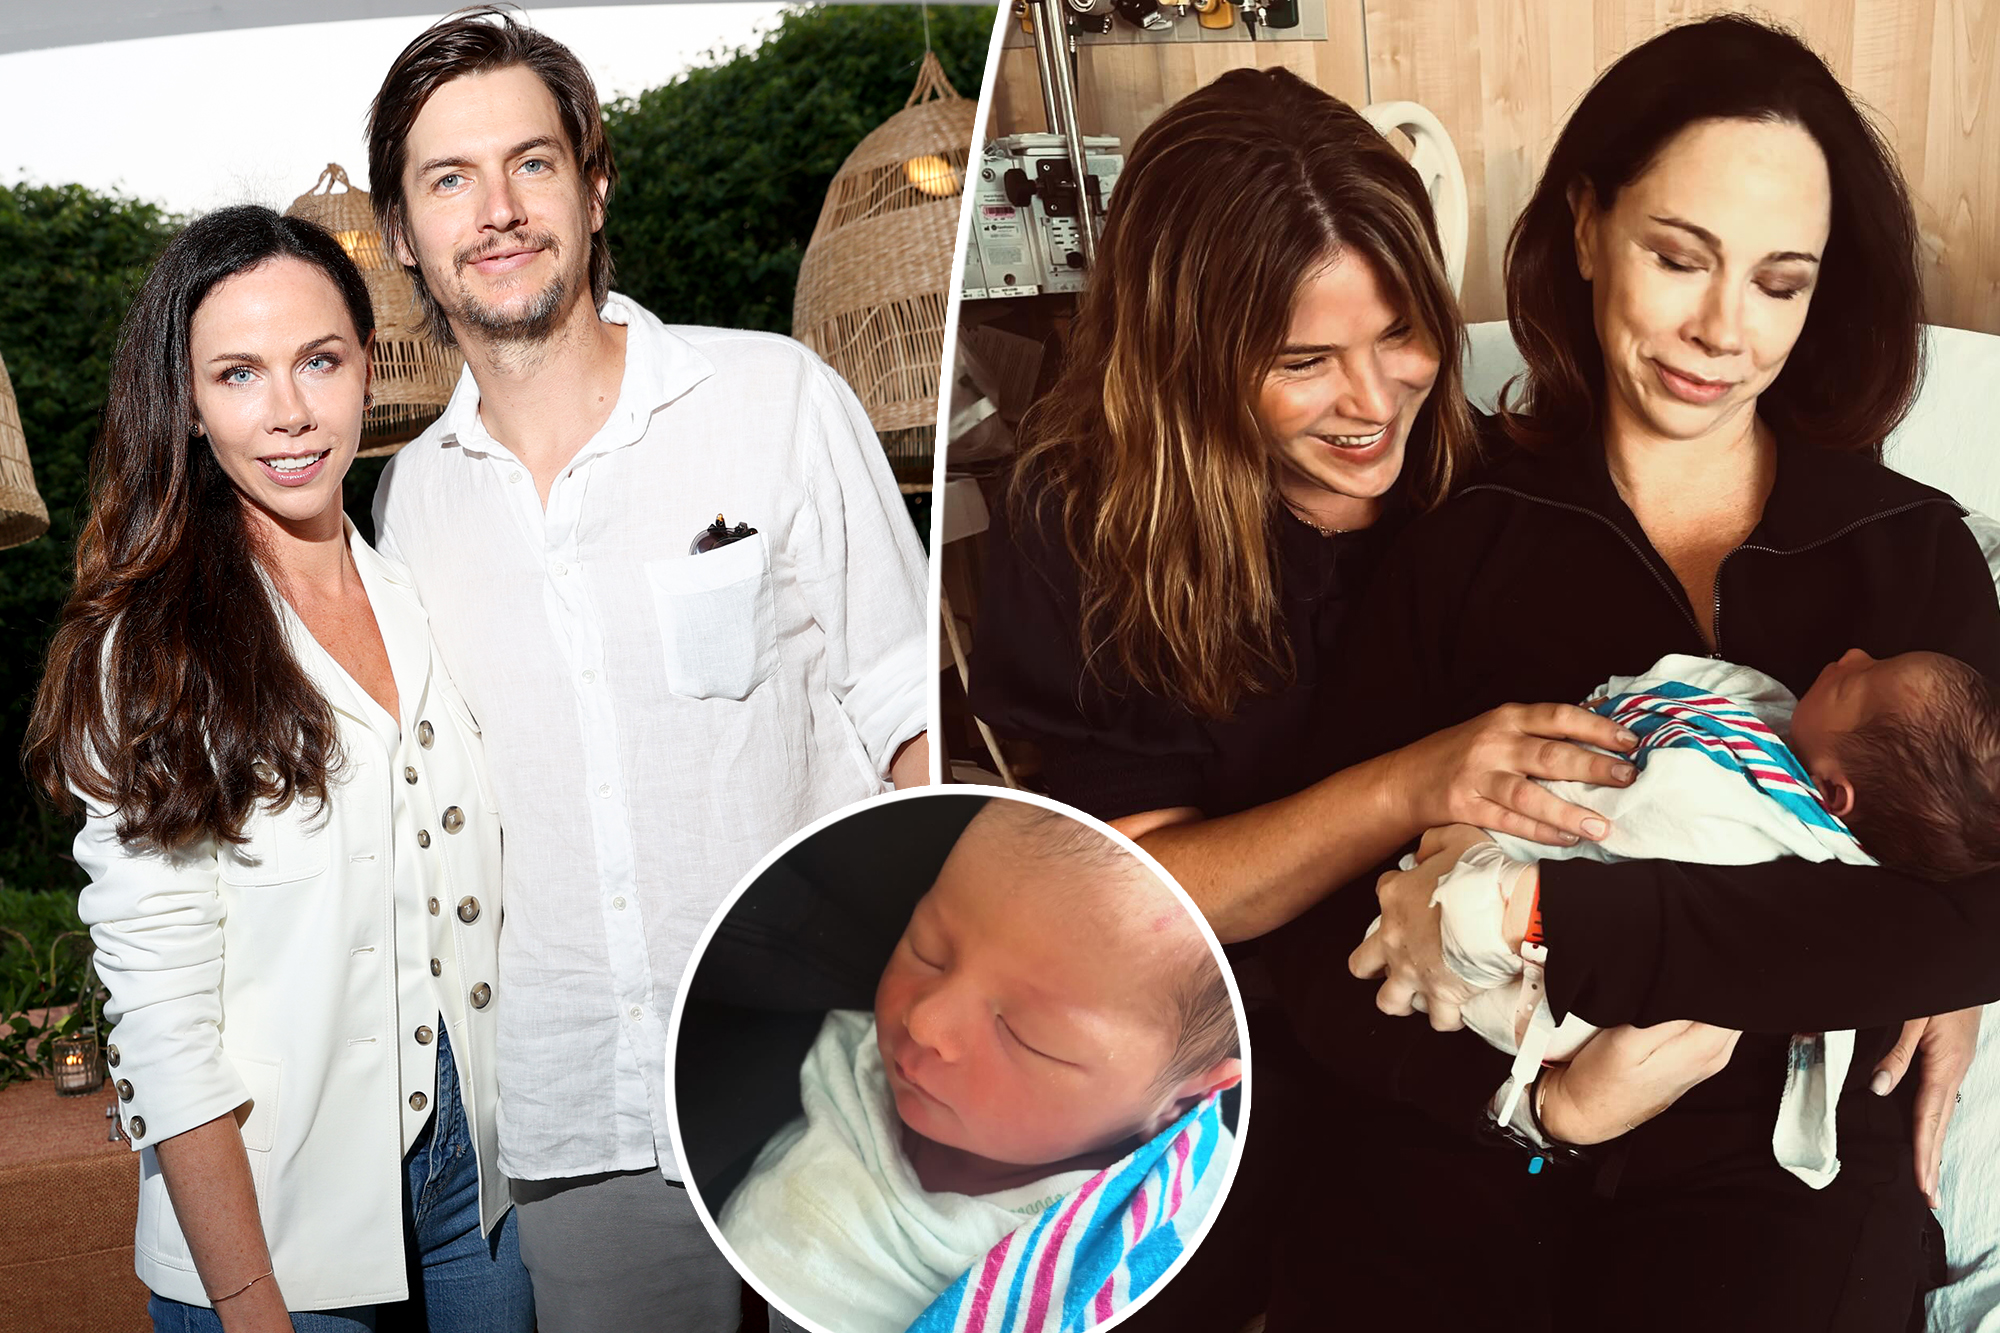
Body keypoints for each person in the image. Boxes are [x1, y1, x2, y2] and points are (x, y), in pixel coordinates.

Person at [1274, 15, 2000, 1330]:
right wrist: (1542, 1106)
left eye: (1781, 282)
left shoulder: (1909, 560)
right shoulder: (1455, 542)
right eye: (1678, 257)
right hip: (1476, 1138)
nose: (1724, 329)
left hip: (1782, 1181)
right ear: (1589, 224)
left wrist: (1575, 920)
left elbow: (1974, 912)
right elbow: (1335, 944)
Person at [967, 65, 1637, 1330]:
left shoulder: (1496, 494)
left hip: (1434, 1027)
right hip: (1207, 1035)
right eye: (1303, 360)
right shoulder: (1079, 524)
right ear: (1189, 359)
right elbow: (1152, 899)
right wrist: (1410, 780)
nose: (1375, 399)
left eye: (1399, 335)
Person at [361, 10, 930, 1329]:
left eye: (532, 164)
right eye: (450, 180)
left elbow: (915, 725)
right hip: (580, 1120)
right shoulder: (413, 511)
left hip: (831, 1083)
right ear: (403, 232)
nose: (497, 210)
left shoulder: (776, 400)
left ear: (593, 182)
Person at [23, 207, 530, 1332]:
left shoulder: (416, 589)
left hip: (470, 1193)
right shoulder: (149, 648)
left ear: (365, 368)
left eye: (318, 360)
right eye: (239, 374)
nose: (291, 413)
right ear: (191, 408)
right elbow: (157, 1014)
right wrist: (250, 1303)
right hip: (267, 1227)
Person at [1407, 649, 2000, 1190]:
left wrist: (1558, 1111)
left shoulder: (1759, 829)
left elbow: (1634, 820)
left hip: (1572, 1005)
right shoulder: (1780, 723)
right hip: (1466, 908)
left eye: (1859, 682)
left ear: (1832, 792)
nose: (1851, 656)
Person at [717, 799, 1240, 1333]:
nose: (925, 1022)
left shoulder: (1180, 1225)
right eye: (927, 951)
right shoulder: (825, 1113)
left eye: (1027, 1036)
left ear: (1188, 1093)